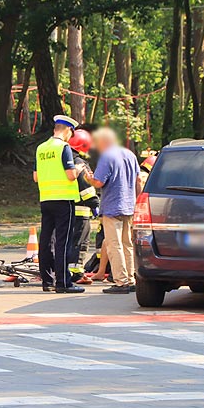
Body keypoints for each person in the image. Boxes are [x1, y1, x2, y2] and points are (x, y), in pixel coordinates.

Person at [33, 115, 85, 294]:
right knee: (63, 241)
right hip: (63, 200)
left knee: (46, 240)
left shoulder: (41, 148)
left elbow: (36, 177)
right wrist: (78, 169)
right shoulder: (63, 147)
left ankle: (47, 281)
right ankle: (63, 283)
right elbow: (71, 175)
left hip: (46, 199)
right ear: (68, 130)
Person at [86, 128, 141, 294]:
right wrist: (137, 201)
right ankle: (131, 279)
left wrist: (88, 177)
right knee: (127, 244)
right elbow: (138, 179)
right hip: (129, 206)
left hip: (112, 207)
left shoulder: (107, 157)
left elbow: (99, 182)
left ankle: (120, 281)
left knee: (113, 245)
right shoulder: (130, 154)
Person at [68, 129, 100, 285]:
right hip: (81, 210)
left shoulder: (64, 160)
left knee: (67, 241)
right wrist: (95, 203)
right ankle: (76, 272)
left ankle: (66, 269)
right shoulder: (79, 163)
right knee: (80, 242)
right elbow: (85, 187)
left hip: (65, 208)